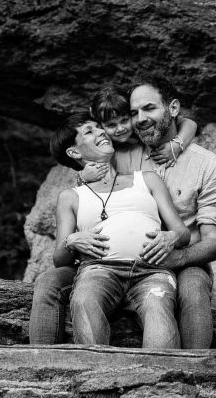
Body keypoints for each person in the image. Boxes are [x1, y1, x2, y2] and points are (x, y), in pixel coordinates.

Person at [30, 76, 216, 348]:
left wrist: (176, 256)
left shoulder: (205, 164)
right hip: (107, 264)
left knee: (193, 289)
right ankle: (42, 361)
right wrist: (81, 179)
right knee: (51, 281)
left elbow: (214, 242)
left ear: (173, 108)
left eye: (149, 109)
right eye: (134, 113)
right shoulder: (123, 148)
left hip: (181, 258)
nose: (139, 120)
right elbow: (88, 154)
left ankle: (193, 366)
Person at [49, 114, 189, 349]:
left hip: (151, 270)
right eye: (89, 131)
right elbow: (59, 260)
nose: (101, 131)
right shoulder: (71, 196)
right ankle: (95, 370)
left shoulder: (147, 179)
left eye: (99, 127)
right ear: (74, 152)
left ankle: (159, 373)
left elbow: (182, 233)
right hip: (99, 270)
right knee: (84, 300)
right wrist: (70, 241)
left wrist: (171, 237)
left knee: (158, 308)